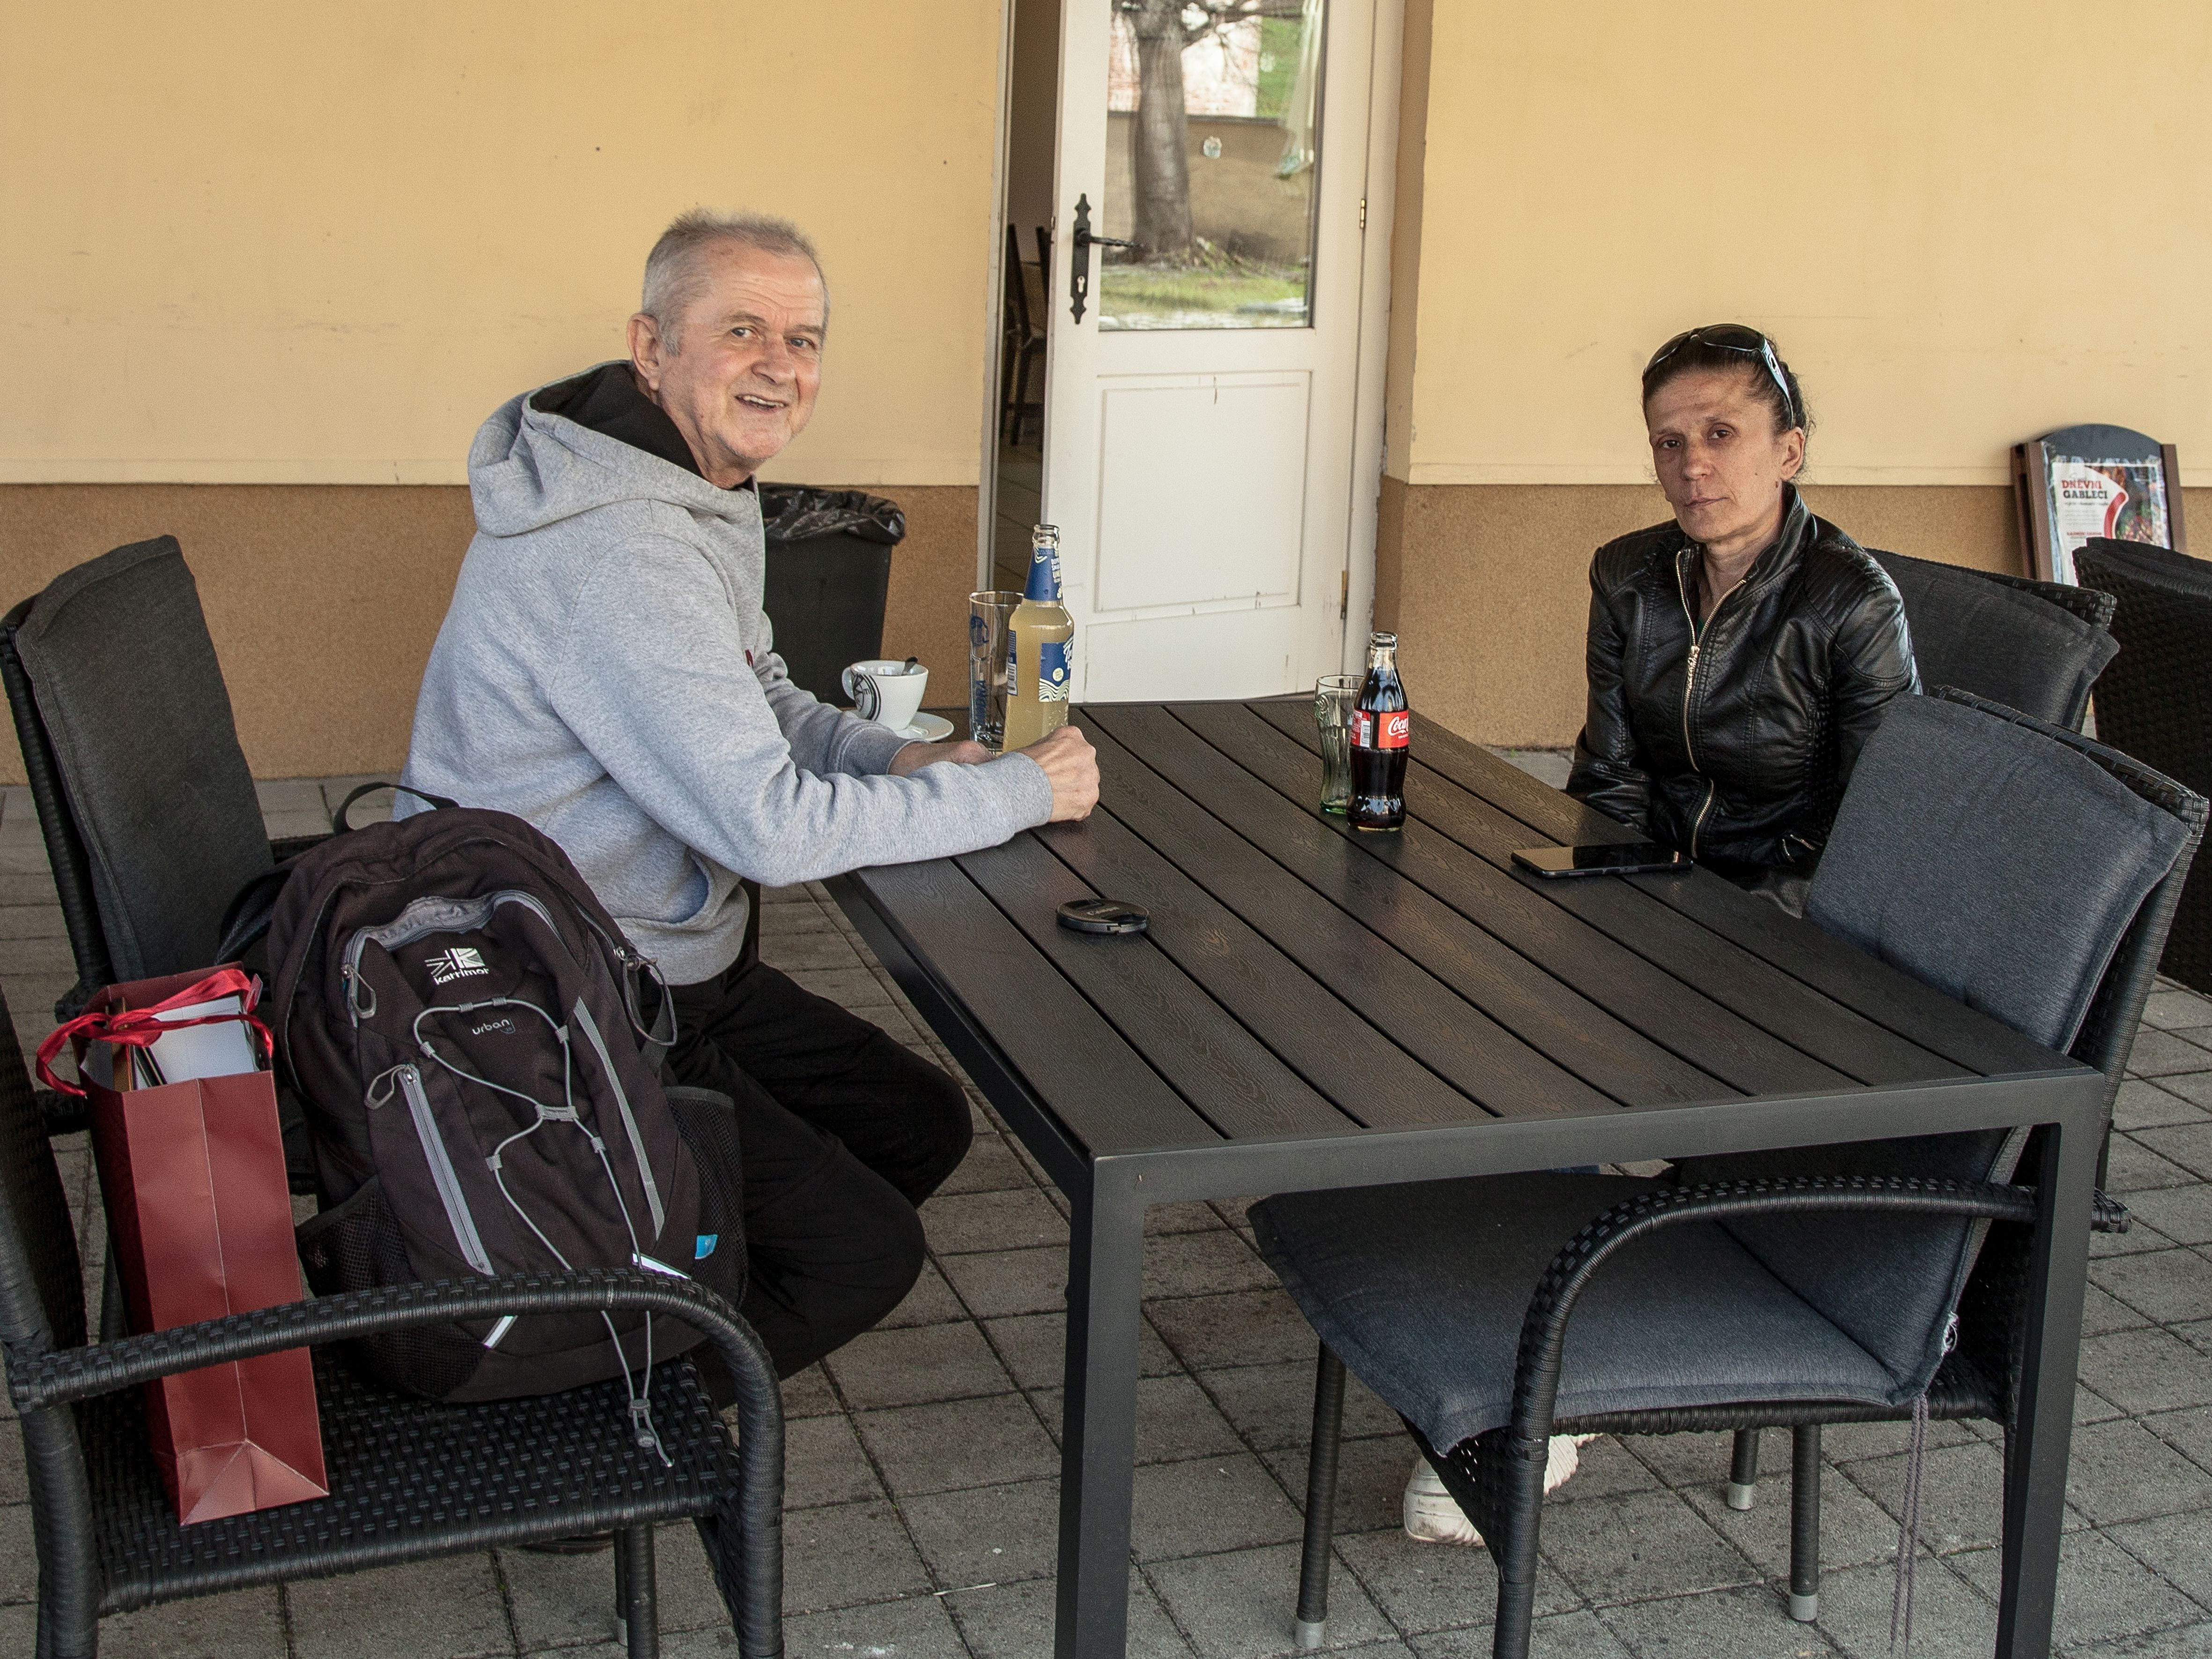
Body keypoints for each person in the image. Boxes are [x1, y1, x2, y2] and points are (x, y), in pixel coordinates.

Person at [401, 209, 1099, 1388]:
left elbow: (757, 691)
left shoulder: (684, 484)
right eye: (741, 331)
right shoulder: (621, 547)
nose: (780, 364)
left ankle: (681, 1267)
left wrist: (899, 762)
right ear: (651, 346)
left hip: (662, 963)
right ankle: (608, 1414)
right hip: (565, 997)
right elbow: (768, 827)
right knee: (856, 1254)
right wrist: (1016, 795)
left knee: (914, 1122)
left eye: (803, 339)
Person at [1566, 324, 1917, 911]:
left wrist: (1729, 920)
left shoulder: (1853, 604)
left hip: (1780, 914)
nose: (1692, 466)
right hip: (1651, 888)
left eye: (1720, 434)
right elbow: (1609, 779)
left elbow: (1878, 829)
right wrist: (1615, 896)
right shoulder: (1625, 577)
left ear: (1788, 452)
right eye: (1669, 443)